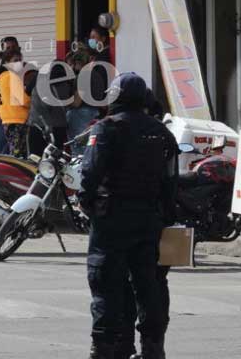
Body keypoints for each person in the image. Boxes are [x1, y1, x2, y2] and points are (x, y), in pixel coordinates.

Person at [79, 73, 178, 359]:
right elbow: (170, 182)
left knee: (105, 285)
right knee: (150, 285)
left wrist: (88, 206)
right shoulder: (162, 132)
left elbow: (89, 175)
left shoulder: (105, 129)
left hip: (111, 221)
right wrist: (164, 216)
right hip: (149, 221)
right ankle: (152, 348)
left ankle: (106, 348)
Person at [26, 60, 73, 157]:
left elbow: (38, 105)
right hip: (58, 127)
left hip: (39, 127)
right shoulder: (65, 84)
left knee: (35, 160)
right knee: (55, 161)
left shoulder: (39, 81)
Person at [0, 36, 21, 154]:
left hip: (19, 118)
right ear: (2, 51)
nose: (11, 50)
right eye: (8, 48)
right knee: (0, 154)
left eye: (14, 47)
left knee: (18, 154)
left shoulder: (23, 68)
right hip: (1, 118)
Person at [66, 42, 98, 155]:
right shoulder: (96, 75)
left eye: (75, 63)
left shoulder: (83, 76)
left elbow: (77, 102)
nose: (73, 67)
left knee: (79, 151)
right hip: (94, 114)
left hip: (81, 116)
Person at [0, 48, 31, 158]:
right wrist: (33, 102)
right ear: (7, 63)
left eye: (20, 60)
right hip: (18, 120)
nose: (19, 63)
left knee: (14, 151)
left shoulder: (2, 78)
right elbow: (23, 100)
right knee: (19, 155)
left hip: (8, 120)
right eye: (15, 60)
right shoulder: (13, 77)